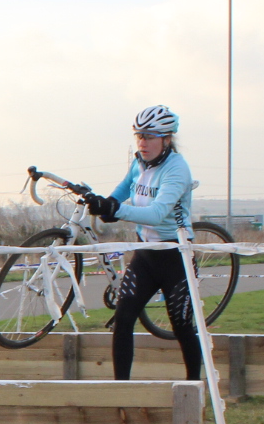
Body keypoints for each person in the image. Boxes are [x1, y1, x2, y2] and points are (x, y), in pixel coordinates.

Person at [80, 105, 203, 381]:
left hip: (175, 256)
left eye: (149, 136)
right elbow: (120, 193)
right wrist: (104, 205)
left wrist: (116, 210)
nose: (142, 143)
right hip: (145, 255)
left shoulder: (177, 169)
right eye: (138, 136)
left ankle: (194, 387)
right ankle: (120, 390)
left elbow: (157, 214)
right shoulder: (139, 163)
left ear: (166, 139)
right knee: (123, 319)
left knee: (181, 326)